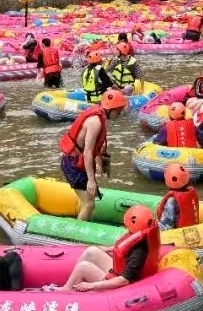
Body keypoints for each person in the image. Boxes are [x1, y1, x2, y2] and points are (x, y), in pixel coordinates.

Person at [59, 89, 128, 220]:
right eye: (118, 111)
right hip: (72, 164)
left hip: (78, 163)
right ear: (110, 109)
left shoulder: (100, 115)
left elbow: (99, 148)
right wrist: (91, 180)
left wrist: (105, 170)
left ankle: (85, 220)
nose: (119, 114)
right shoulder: (95, 122)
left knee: (92, 196)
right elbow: (88, 151)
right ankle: (77, 235)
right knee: (89, 204)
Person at [61, 205, 160, 292]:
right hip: (119, 271)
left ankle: (66, 291)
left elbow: (124, 280)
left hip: (122, 285)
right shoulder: (140, 236)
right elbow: (124, 249)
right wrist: (106, 249)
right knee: (91, 252)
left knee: (83, 267)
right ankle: (71, 282)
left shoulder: (139, 252)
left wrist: (91, 285)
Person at [156, 163, 200, 231]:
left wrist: (154, 225)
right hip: (191, 225)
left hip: (178, 231)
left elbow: (166, 226)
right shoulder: (191, 193)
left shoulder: (171, 200)